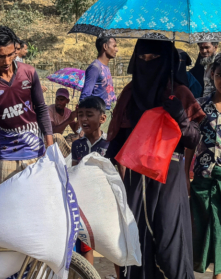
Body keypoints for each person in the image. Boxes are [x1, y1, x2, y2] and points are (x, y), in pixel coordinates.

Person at [106, 38, 205, 279]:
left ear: (167, 61)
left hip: (168, 178)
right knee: (138, 239)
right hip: (136, 178)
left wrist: (181, 117)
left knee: (168, 241)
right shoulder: (130, 93)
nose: (147, 64)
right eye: (142, 59)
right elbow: (116, 141)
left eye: (154, 59)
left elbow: (194, 140)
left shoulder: (179, 92)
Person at [0, 26, 53, 190]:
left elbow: (41, 109)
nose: (7, 61)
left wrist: (50, 148)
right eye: (0, 57)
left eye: (11, 54)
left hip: (37, 151)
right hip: (9, 156)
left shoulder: (29, 73)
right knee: (12, 210)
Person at [187, 55, 221, 279]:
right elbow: (190, 143)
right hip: (202, 178)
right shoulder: (200, 106)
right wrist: (183, 176)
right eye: (219, 75)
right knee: (199, 230)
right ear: (212, 75)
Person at [72, 96, 108, 265]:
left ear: (102, 118)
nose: (84, 119)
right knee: (85, 246)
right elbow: (73, 171)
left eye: (89, 114)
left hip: (106, 204)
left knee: (113, 246)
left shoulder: (109, 144)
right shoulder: (77, 145)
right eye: (80, 115)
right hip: (84, 205)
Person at [79, 37, 117, 132]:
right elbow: (85, 95)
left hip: (108, 114)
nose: (116, 49)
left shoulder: (106, 68)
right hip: (98, 115)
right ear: (105, 46)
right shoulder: (95, 68)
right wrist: (84, 122)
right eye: (114, 46)